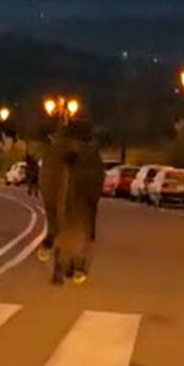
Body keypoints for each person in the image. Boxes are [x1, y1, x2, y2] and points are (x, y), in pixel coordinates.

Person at [38, 120, 104, 285]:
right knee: (84, 230)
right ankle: (78, 266)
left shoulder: (54, 152)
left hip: (59, 196)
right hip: (83, 199)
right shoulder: (91, 154)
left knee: (59, 224)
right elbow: (97, 184)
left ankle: (58, 262)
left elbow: (46, 183)